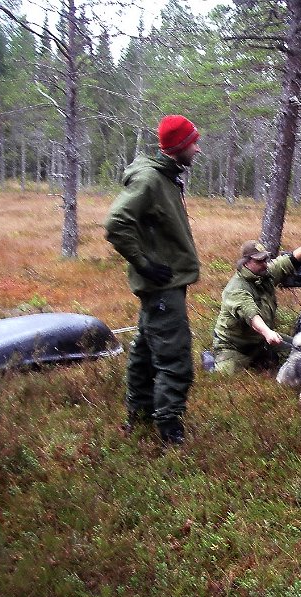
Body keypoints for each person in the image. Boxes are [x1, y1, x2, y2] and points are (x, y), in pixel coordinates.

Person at [104, 114, 202, 446]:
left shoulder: (165, 177)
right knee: (175, 359)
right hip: (162, 287)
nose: (198, 149)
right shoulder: (149, 180)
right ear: (179, 147)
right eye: (193, 143)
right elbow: (116, 222)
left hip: (164, 285)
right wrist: (143, 263)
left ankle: (140, 413)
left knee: (145, 352)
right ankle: (169, 430)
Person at [212, 238, 301, 375]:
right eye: (259, 261)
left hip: (260, 342)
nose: (264, 264)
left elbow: (289, 261)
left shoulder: (265, 275)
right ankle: (211, 360)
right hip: (234, 347)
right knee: (228, 376)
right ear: (246, 263)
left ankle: (262, 358)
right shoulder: (237, 289)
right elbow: (251, 315)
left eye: (265, 259)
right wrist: (267, 333)